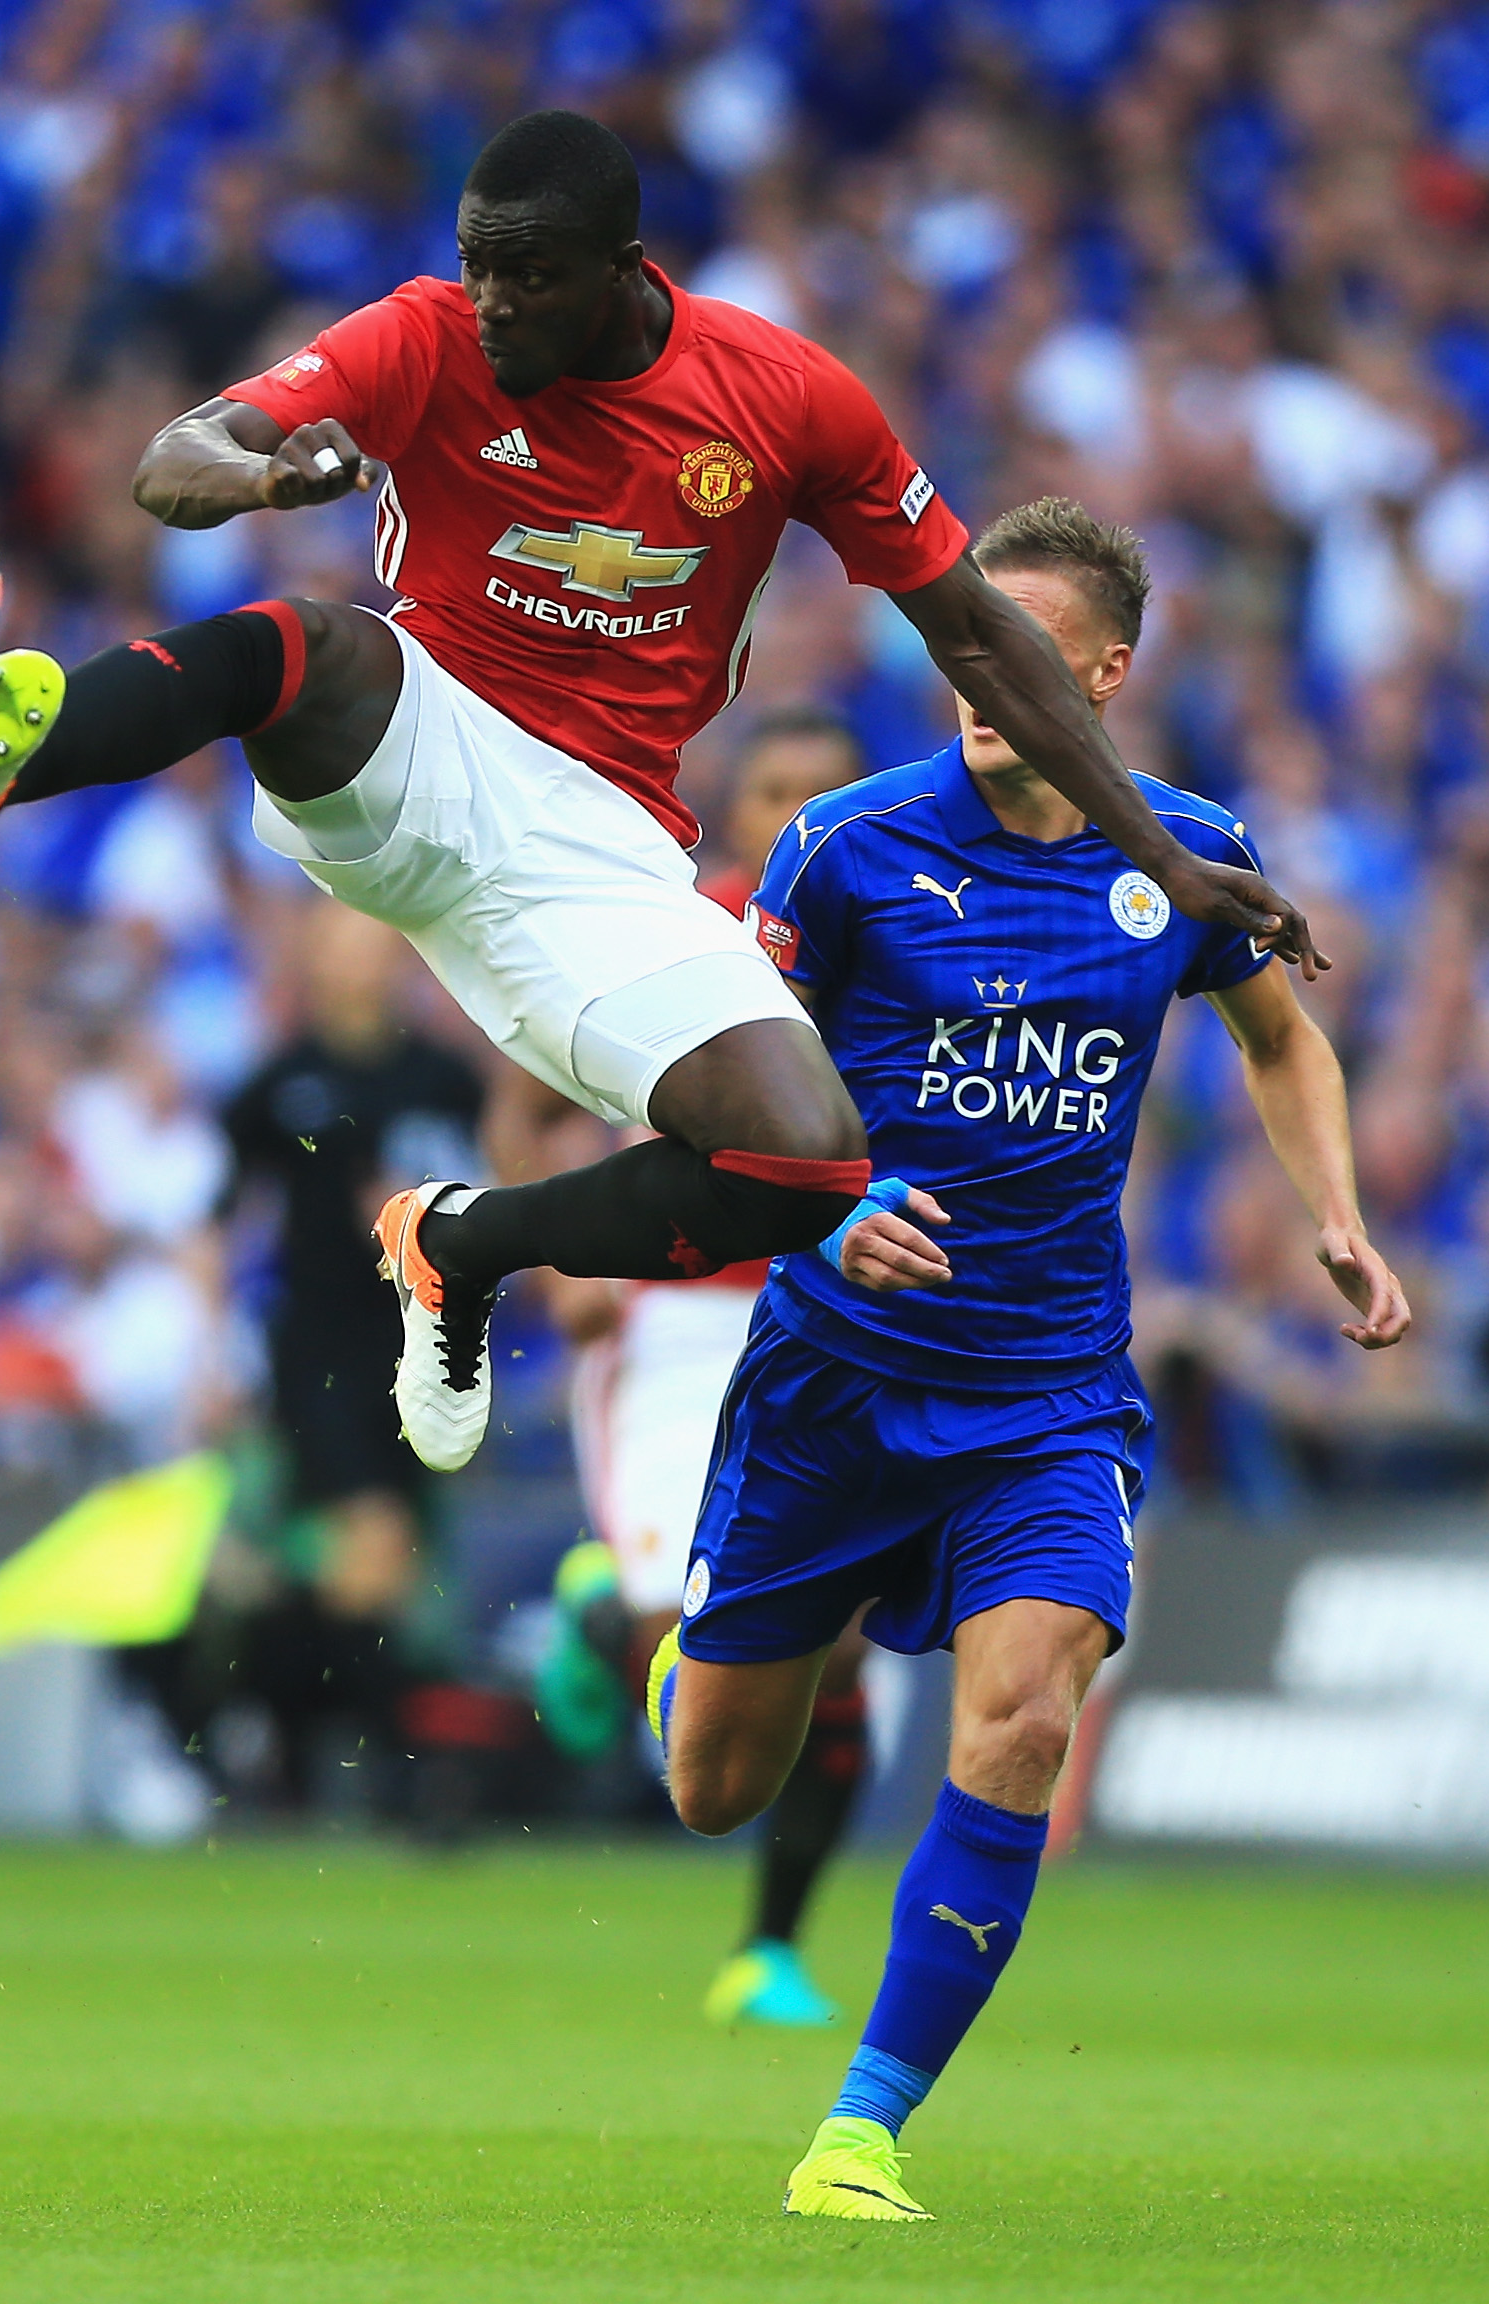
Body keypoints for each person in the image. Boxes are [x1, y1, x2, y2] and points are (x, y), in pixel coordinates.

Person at [0, 108, 1317, 1485]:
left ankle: (466, 1246)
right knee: (307, 649)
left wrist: (1162, 856)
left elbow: (979, 632)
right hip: (419, 741)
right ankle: (11, 755)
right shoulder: (424, 336)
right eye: (479, 266)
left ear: (626, 274)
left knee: (801, 1159)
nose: (491, 304)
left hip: (600, 847)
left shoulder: (784, 399)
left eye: (530, 278)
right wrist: (261, 474)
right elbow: (175, 458)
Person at [642, 501, 1413, 2220]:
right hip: (833, 1377)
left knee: (1021, 1717)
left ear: (1108, 676)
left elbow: (1284, 1038)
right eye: (960, 646)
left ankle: (860, 2129)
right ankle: (673, 1672)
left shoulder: (1182, 855)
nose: (978, 680)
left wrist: (1335, 1215)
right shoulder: (841, 846)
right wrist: (821, 1215)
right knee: (713, 1787)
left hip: (1050, 1392)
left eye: (1022, 656)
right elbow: (711, 1087)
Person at [522, 704, 875, 2026]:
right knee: (689, 1633)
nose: (795, 814)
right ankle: (605, 1612)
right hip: (672, 1314)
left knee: (835, 1651)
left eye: (821, 790)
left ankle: (772, 1948)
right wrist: (563, 1252)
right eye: (774, 788)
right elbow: (538, 1091)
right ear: (736, 808)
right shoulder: (666, 927)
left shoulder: (907, 934)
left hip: (835, 1314)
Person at [216, 901, 485, 1800]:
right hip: (316, 1350)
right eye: (340, 945)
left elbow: (490, 1200)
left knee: (374, 1571)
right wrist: (210, 1353)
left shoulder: (444, 1081)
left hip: (419, 1343)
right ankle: (413, 1783)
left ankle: (261, 1706)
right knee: (373, 1543)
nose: (358, 963)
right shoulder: (278, 1083)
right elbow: (217, 1219)